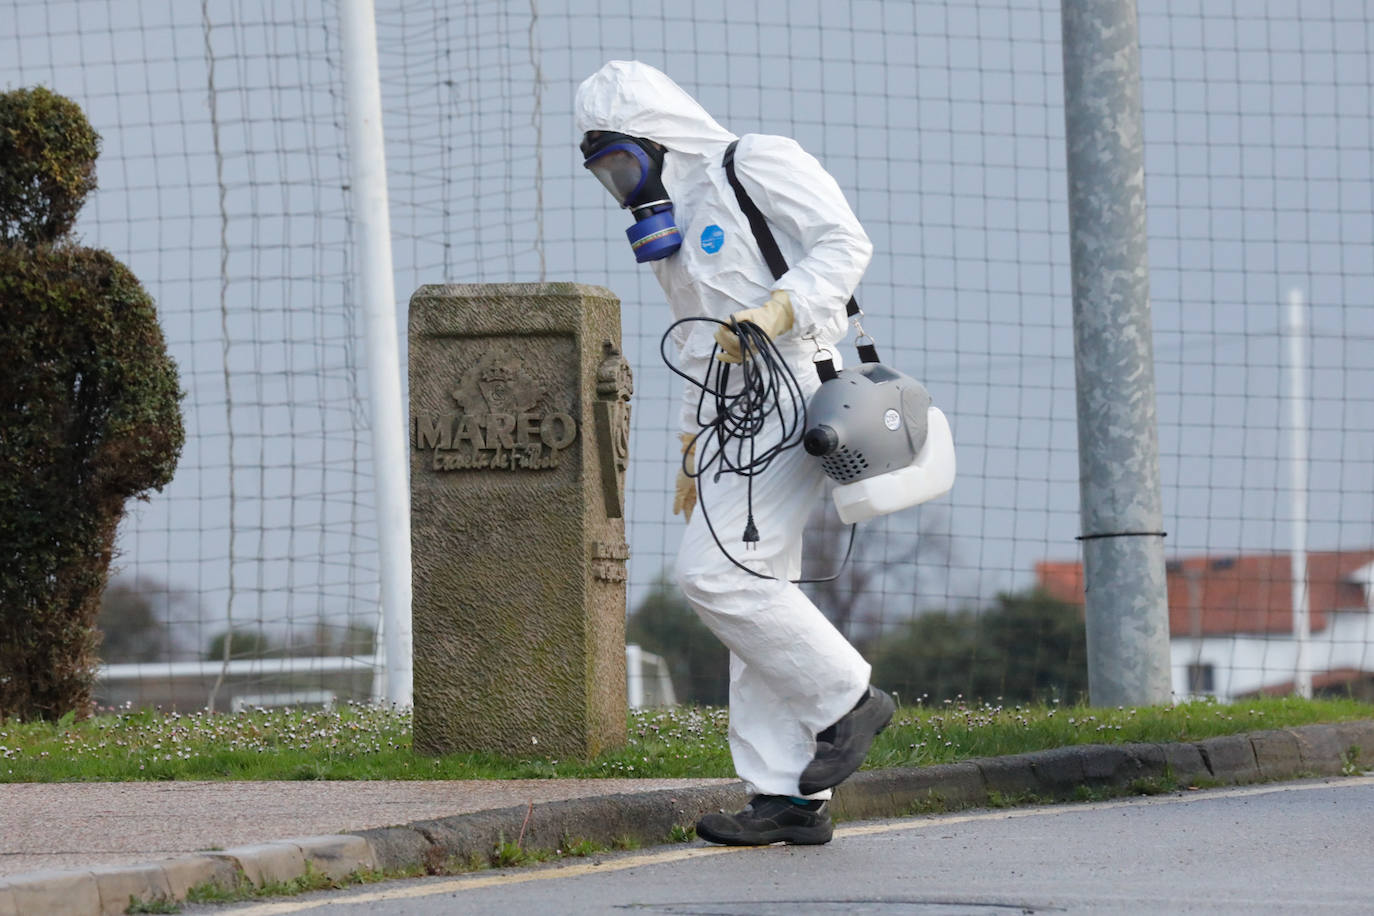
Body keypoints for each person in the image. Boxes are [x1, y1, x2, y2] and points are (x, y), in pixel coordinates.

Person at [575, 60, 894, 846]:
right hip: (731, 411)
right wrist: (690, 438)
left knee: (712, 576)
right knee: (757, 590)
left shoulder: (754, 161)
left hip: (796, 391)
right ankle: (786, 797)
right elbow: (698, 338)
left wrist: (780, 307)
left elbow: (844, 243)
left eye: (623, 161)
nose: (619, 183)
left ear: (658, 138)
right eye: (604, 172)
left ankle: (848, 700)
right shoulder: (668, 236)